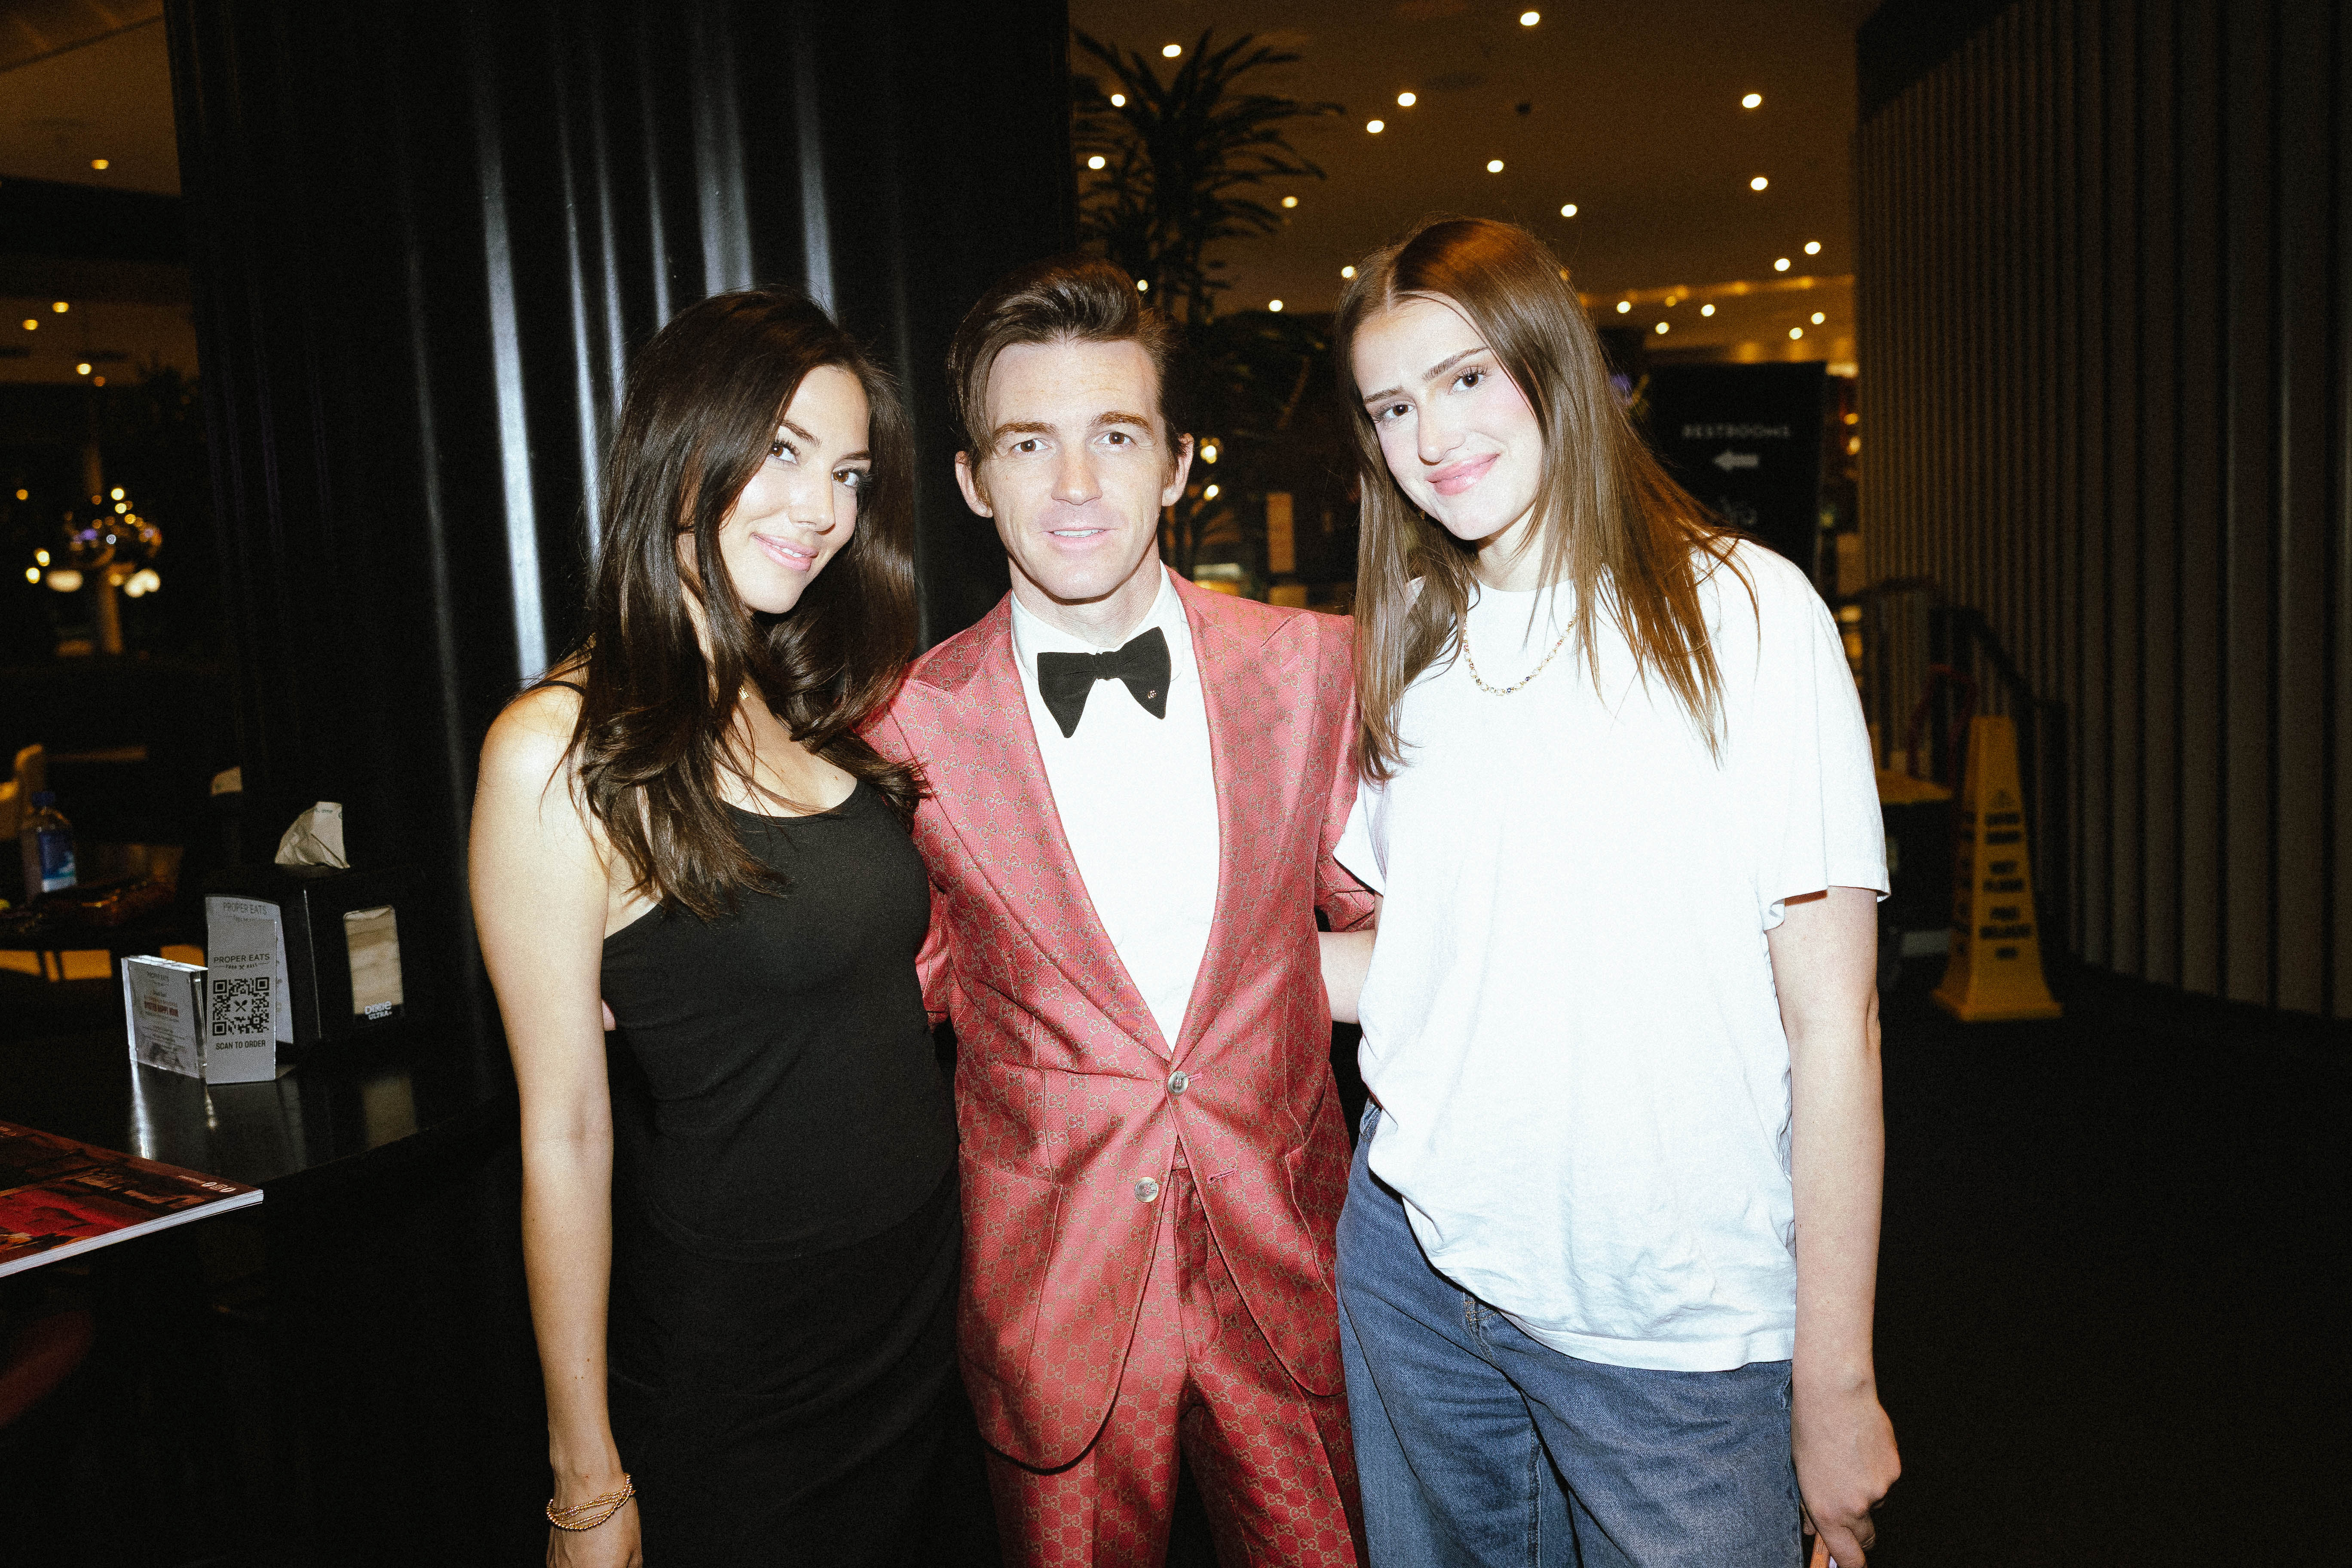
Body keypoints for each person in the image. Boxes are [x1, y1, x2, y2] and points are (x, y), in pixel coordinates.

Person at [1318, 216, 1901, 1568]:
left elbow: (1837, 1029)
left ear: (1551, 363)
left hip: (1672, 1329)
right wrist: (1160, 972)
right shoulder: (1416, 644)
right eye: (1393, 407)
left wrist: (1836, 1380)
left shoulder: (1745, 619)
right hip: (1416, 1275)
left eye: (1466, 379)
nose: (1433, 434)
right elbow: (1431, 962)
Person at [864, 255, 1371, 1567]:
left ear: (1179, 463)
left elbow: (1412, 932)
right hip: (1056, 1291)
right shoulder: (901, 730)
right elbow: (872, 998)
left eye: (1116, 437)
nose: (1076, 488)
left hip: (1287, 1263)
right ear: (974, 482)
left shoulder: (1318, 670)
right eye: (1030, 444)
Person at [469, 289, 964, 1567]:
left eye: (848, 473)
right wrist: (585, 1481)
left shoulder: (800, 706)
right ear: (680, 444)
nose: (822, 508)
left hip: (918, 1323)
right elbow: (565, 1135)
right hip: (748, 1360)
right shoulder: (557, 754)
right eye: (785, 451)